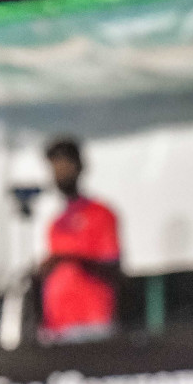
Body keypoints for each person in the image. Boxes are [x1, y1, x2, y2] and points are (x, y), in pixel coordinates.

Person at [39, 138, 123, 341]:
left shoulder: (100, 214)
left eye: (64, 166)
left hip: (91, 323)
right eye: (55, 167)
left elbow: (112, 266)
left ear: (79, 167)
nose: (59, 173)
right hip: (56, 325)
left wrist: (67, 258)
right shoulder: (56, 222)